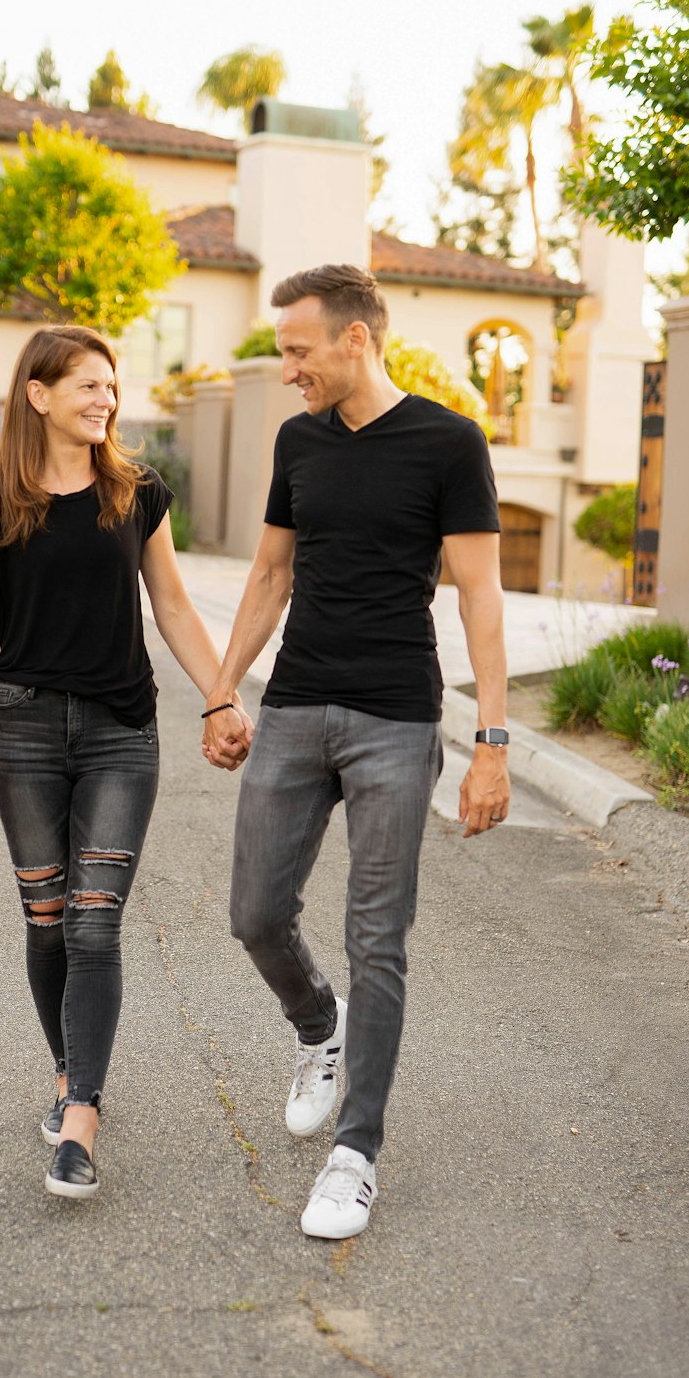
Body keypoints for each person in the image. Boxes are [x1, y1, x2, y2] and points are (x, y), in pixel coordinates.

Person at [202, 264, 509, 1240]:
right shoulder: (298, 441)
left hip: (396, 718)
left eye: (297, 350)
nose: (287, 368)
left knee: (378, 938)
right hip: (293, 704)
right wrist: (221, 689)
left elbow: (480, 595)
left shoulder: (450, 443)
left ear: (355, 341)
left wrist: (491, 741)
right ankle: (315, 1029)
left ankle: (355, 1154)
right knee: (255, 914)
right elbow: (269, 573)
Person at [0, 325, 249, 1201]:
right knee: (46, 919)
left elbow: (176, 610)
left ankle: (81, 1113)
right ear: (37, 394)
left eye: (111, 387)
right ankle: (67, 1071)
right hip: (26, 735)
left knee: (93, 921)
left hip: (122, 732)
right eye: (86, 385)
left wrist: (222, 694)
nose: (105, 399)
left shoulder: (135, 492)